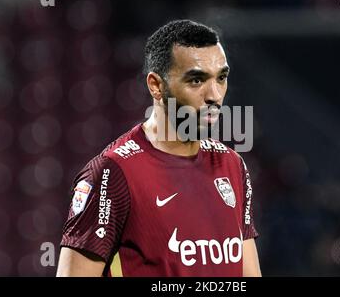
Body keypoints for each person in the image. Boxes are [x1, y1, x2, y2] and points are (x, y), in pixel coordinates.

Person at [56, 20, 261, 277]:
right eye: (196, 80)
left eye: (221, 78)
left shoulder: (232, 165)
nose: (214, 95)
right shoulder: (113, 173)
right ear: (156, 85)